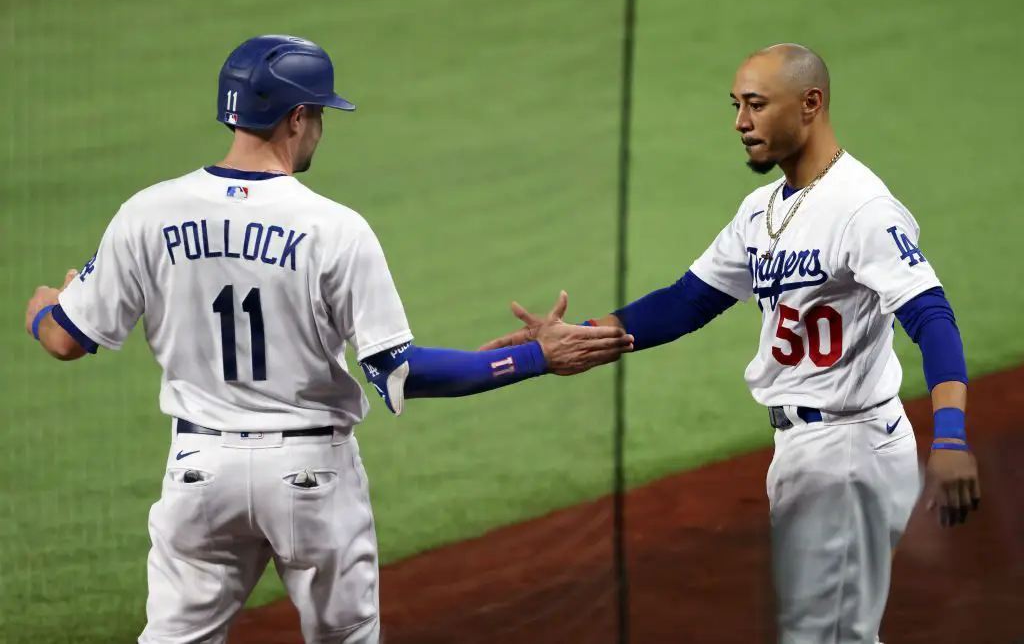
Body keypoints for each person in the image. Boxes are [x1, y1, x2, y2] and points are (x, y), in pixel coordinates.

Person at [23, 34, 633, 644]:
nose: (319, 128)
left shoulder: (147, 213)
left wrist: (44, 307)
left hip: (198, 473)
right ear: (296, 117)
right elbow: (400, 371)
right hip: (309, 475)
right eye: (317, 114)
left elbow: (64, 339)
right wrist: (536, 357)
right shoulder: (334, 228)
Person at [479, 43, 981, 644]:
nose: (740, 123)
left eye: (756, 105)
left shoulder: (864, 209)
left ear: (810, 105)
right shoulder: (763, 210)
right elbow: (688, 299)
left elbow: (932, 317)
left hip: (850, 448)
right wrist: (582, 336)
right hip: (806, 451)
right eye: (737, 105)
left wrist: (950, 435)